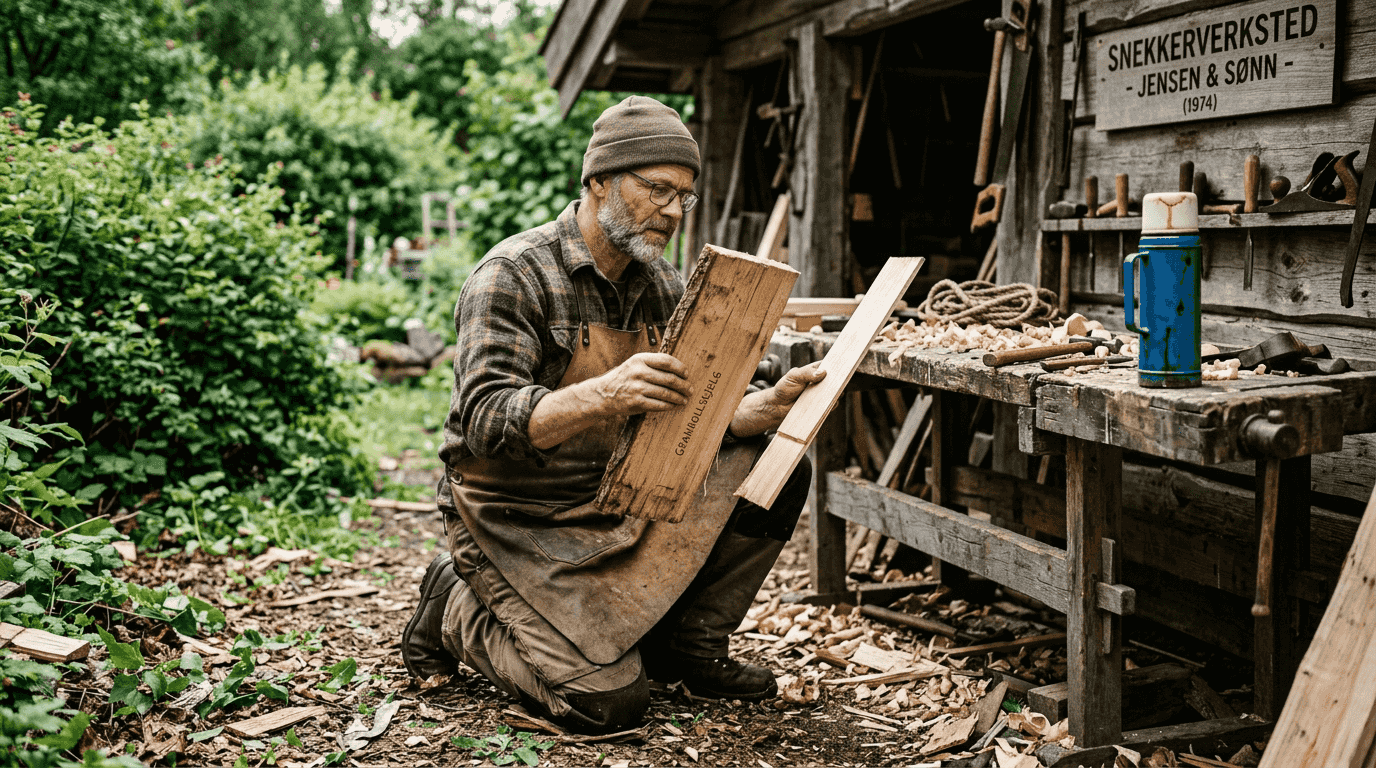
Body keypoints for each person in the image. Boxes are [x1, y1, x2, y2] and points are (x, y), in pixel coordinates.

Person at [400, 95, 825, 734]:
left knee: (776, 466)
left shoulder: (664, 285)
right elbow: (485, 421)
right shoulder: (513, 275)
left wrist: (762, 408)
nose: (674, 210)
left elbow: (694, 416)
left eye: (685, 196)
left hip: (621, 491)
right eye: (657, 189)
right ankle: (456, 610)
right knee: (607, 706)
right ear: (598, 182)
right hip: (514, 516)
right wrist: (604, 393)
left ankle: (690, 647)